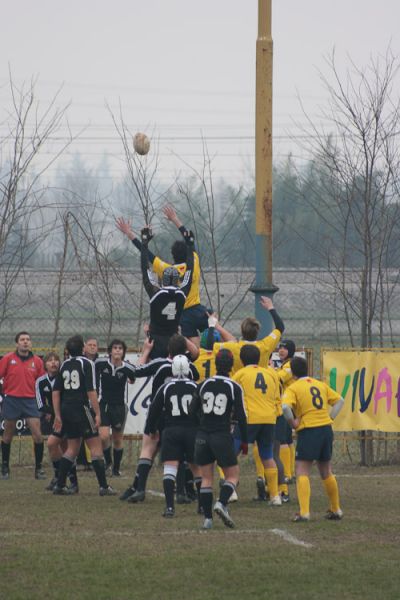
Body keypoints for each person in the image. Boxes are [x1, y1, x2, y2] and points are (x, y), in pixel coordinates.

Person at [120, 334, 199, 503]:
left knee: (148, 449)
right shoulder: (190, 368)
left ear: (168, 350)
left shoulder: (160, 364)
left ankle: (139, 489)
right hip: (180, 416)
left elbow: (136, 371)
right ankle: (183, 492)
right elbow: (196, 354)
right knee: (181, 453)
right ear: (184, 350)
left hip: (159, 413)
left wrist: (138, 356)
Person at [116, 203, 209, 345]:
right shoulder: (194, 263)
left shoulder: (167, 270)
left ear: (173, 255)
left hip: (182, 315)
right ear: (189, 254)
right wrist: (175, 219)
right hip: (197, 309)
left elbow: (146, 254)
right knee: (212, 320)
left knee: (189, 344)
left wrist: (129, 233)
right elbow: (189, 241)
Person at [282, 356, 344, 522]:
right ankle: (336, 509)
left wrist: (293, 423)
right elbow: (340, 400)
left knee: (302, 470)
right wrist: (330, 418)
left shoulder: (294, 388)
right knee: (326, 470)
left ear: (293, 373)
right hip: (325, 429)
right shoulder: (320, 384)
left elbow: (285, 407)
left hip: (309, 430)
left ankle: (304, 512)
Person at [52, 335, 115, 496]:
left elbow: (56, 392)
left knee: (73, 447)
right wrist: (98, 413)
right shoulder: (86, 363)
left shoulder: (64, 364)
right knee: (95, 446)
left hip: (66, 408)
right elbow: (91, 390)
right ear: (82, 348)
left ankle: (60, 484)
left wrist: (58, 415)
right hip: (81, 408)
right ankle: (103, 486)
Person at [191, 349, 248, 530]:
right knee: (233, 475)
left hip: (202, 435)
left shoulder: (203, 384)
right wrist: (245, 440)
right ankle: (222, 503)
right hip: (221, 435)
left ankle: (207, 519)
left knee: (206, 478)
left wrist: (202, 423)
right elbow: (242, 417)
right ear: (231, 365)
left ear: (215, 364)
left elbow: (192, 410)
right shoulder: (234, 387)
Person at [146, 354, 201, 518]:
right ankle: (202, 506)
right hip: (192, 431)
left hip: (172, 430)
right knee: (196, 468)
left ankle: (170, 507)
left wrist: (152, 429)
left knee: (170, 468)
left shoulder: (166, 387)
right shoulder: (196, 386)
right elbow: (202, 411)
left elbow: (154, 411)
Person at [232, 345, 283, 506]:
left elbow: (233, 397)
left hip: (249, 419)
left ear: (241, 359)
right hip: (269, 419)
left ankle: (231, 490)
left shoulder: (239, 374)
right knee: (267, 456)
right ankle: (275, 496)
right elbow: (277, 397)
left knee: (231, 453)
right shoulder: (271, 373)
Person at [139, 225, 194, 359]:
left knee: (157, 373)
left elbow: (145, 269)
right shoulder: (182, 294)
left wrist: (144, 243)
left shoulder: (156, 293)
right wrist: (190, 245)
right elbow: (189, 271)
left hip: (155, 341)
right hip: (174, 341)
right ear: (177, 281)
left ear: (163, 281)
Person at [0, 332, 45, 480]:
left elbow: (41, 383)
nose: (25, 342)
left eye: (27, 340)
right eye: (22, 340)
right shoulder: (7, 359)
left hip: (30, 401)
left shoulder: (37, 361)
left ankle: (39, 468)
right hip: (12, 400)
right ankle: (5, 467)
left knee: (38, 436)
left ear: (30, 343)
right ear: (17, 343)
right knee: (7, 436)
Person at [36, 352, 79, 492]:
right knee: (58, 446)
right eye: (50, 360)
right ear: (45, 365)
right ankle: (59, 477)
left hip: (68, 416)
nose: (53, 363)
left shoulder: (64, 377)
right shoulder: (41, 381)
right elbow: (41, 404)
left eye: (56, 360)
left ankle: (71, 481)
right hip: (58, 419)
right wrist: (54, 413)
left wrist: (58, 413)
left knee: (58, 445)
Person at [212, 296, 284, 374]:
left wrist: (215, 325)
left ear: (242, 331)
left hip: (239, 384)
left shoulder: (233, 347)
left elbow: (211, 346)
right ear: (257, 331)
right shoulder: (265, 346)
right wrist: (271, 307)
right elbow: (280, 327)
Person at [95, 339, 136, 476]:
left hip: (119, 406)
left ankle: (116, 469)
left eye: (120, 348)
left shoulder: (127, 368)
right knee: (104, 436)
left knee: (118, 439)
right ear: (110, 351)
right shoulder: (101, 364)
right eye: (115, 348)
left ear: (123, 352)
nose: (117, 350)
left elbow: (132, 379)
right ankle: (108, 462)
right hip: (104, 404)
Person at [276, 339, 297, 490]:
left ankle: (287, 473)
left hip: (286, 405)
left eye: (284, 348)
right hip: (288, 405)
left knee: (283, 440)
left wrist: (269, 369)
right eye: (280, 348)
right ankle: (291, 472)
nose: (281, 350)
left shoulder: (290, 365)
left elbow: (279, 378)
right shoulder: (285, 364)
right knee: (288, 440)